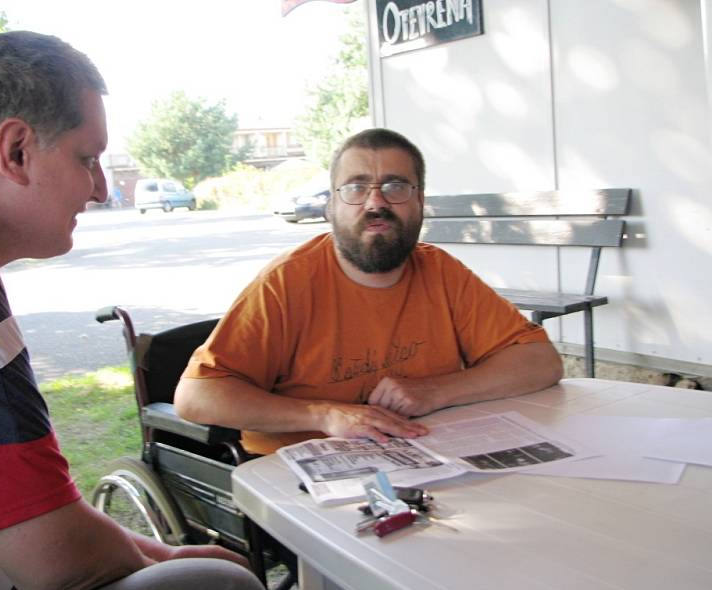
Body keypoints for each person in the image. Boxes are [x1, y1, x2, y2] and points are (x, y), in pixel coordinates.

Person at [0, 31, 269, 590]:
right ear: (16, 150)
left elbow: (35, 518)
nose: (102, 189)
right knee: (220, 586)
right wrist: (171, 560)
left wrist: (158, 554)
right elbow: (53, 558)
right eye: (88, 158)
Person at [175, 128, 564, 456]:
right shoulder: (284, 284)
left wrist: (434, 392)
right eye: (356, 187)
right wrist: (324, 415)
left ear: (419, 202)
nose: (376, 202)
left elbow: (540, 362)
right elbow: (196, 397)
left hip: (422, 455)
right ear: (332, 206)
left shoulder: (441, 272)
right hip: (300, 475)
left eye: (394, 186)